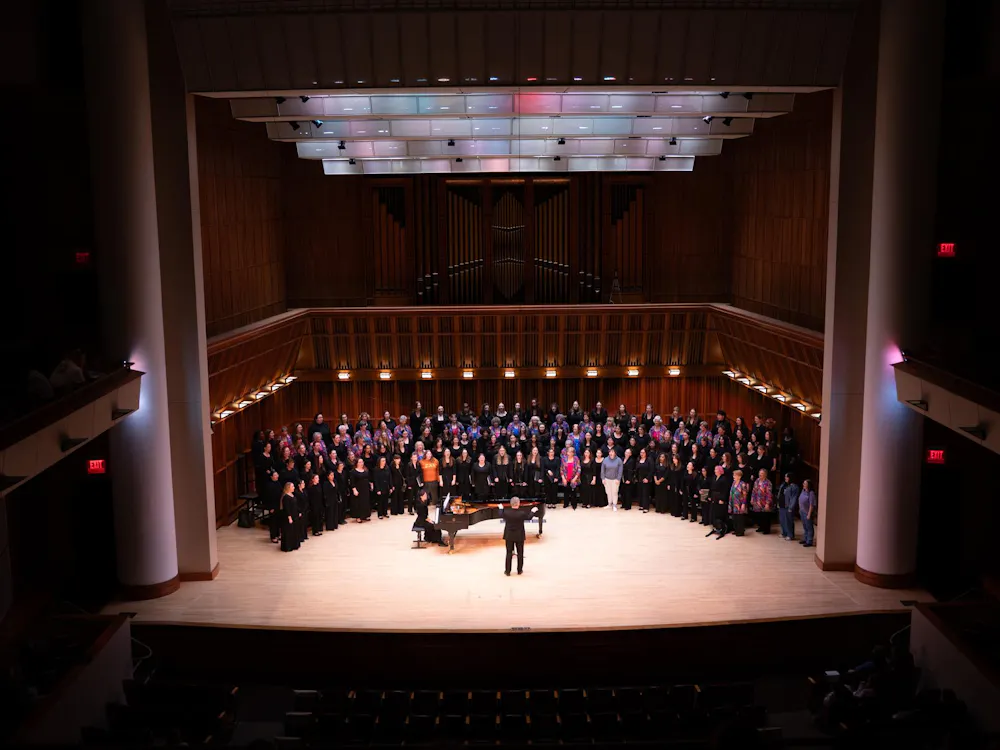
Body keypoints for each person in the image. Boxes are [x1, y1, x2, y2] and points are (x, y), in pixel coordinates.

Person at [495, 497, 539, 576]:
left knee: (508, 553)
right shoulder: (521, 513)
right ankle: (519, 570)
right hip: (519, 535)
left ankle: (507, 571)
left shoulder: (507, 512)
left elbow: (500, 514)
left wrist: (501, 508)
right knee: (520, 553)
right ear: (518, 504)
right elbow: (529, 517)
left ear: (511, 504)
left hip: (509, 535)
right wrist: (533, 511)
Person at [725, 469, 749, 538]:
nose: (733, 476)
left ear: (739, 476)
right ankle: (736, 530)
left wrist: (743, 504)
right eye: (733, 475)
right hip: (733, 502)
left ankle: (740, 531)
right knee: (734, 517)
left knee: (739, 518)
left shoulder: (743, 484)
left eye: (735, 475)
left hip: (739, 503)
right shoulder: (733, 482)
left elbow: (744, 495)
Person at [777, 473, 801, 541]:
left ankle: (790, 535)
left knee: (788, 521)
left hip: (788, 507)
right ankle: (784, 533)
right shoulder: (783, 484)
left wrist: (791, 507)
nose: (785, 478)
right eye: (785, 476)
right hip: (781, 505)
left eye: (787, 477)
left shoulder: (794, 487)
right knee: (782, 520)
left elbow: (794, 498)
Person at [750, 468, 774, 534]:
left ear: (765, 475)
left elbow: (769, 494)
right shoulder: (757, 481)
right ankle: (761, 527)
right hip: (757, 501)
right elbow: (754, 490)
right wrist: (752, 499)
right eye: (760, 473)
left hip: (765, 501)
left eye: (762, 474)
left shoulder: (768, 483)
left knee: (765, 516)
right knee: (759, 516)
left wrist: (767, 503)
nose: (760, 475)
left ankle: (766, 529)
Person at [349, 458, 372, 522]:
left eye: (362, 462)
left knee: (365, 502)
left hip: (365, 488)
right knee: (358, 503)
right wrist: (354, 489)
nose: (361, 463)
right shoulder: (353, 472)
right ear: (356, 463)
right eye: (360, 462)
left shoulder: (366, 470)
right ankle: (358, 517)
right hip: (358, 489)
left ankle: (365, 515)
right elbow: (352, 482)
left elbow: (368, 478)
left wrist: (371, 484)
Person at [279, 483, 300, 552]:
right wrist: (289, 517)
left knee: (294, 530)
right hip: (289, 517)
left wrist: (298, 512)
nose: (294, 487)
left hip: (295, 515)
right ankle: (288, 546)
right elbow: (286, 508)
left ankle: (294, 544)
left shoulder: (292, 495)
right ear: (288, 487)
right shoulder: (286, 497)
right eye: (292, 486)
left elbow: (295, 505)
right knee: (288, 531)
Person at [601, 447, 623, 511]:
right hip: (607, 479)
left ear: (615, 453)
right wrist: (603, 478)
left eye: (612, 452)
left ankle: (614, 505)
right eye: (610, 452)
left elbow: (620, 470)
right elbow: (602, 470)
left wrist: (618, 479)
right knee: (608, 492)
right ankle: (609, 504)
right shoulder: (605, 459)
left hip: (615, 479)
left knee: (614, 492)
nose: (611, 453)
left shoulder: (619, 460)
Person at [263, 470, 283, 542]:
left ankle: (278, 534)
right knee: (273, 522)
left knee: (278, 521)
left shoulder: (278, 483)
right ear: (271, 477)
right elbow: (267, 497)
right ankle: (273, 536)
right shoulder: (268, 485)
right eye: (275, 475)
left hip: (278, 505)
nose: (277, 476)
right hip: (272, 506)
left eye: (277, 474)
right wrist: (270, 507)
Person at [560, 445, 581, 509]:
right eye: (568, 452)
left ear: (573, 453)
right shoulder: (564, 459)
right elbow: (561, 469)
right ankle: (566, 503)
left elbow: (579, 469)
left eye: (570, 452)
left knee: (573, 492)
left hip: (574, 478)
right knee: (566, 491)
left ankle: (574, 504)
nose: (569, 453)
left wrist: (575, 478)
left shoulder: (576, 459)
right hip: (566, 477)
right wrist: (563, 478)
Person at [799, 479, 817, 547]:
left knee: (809, 527)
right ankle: (805, 539)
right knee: (805, 526)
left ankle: (809, 541)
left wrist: (809, 514)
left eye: (805, 483)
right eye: (803, 483)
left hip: (807, 512)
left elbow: (811, 505)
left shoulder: (811, 493)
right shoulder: (803, 491)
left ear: (808, 485)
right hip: (802, 511)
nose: (803, 485)